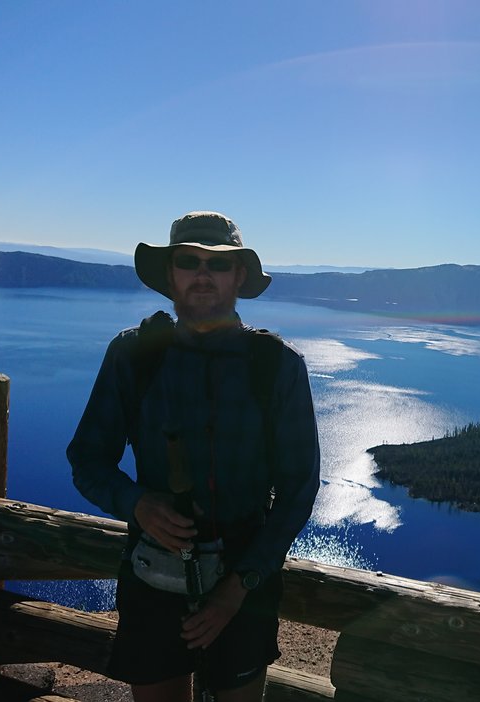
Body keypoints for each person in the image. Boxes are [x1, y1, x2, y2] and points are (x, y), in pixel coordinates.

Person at [67, 211, 321, 702]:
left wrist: (239, 586)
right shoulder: (134, 355)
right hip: (152, 575)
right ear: (171, 275)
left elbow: (299, 487)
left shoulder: (276, 366)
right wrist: (137, 503)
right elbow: (87, 459)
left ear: (239, 277)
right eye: (189, 261)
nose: (203, 273)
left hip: (244, 583)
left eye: (219, 264)